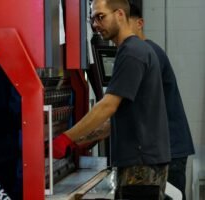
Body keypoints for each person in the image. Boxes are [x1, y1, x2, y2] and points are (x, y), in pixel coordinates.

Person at [52, 0, 171, 199]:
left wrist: (66, 138)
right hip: (143, 162)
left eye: (101, 17)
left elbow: (108, 105)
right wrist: (80, 141)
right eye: (92, 19)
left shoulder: (131, 52)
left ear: (120, 15)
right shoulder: (136, 50)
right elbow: (118, 119)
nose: (96, 25)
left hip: (140, 166)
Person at [128, 4, 195, 200]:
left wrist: (77, 138)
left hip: (169, 152)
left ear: (139, 24)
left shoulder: (146, 53)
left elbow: (122, 106)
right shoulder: (145, 51)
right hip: (167, 150)